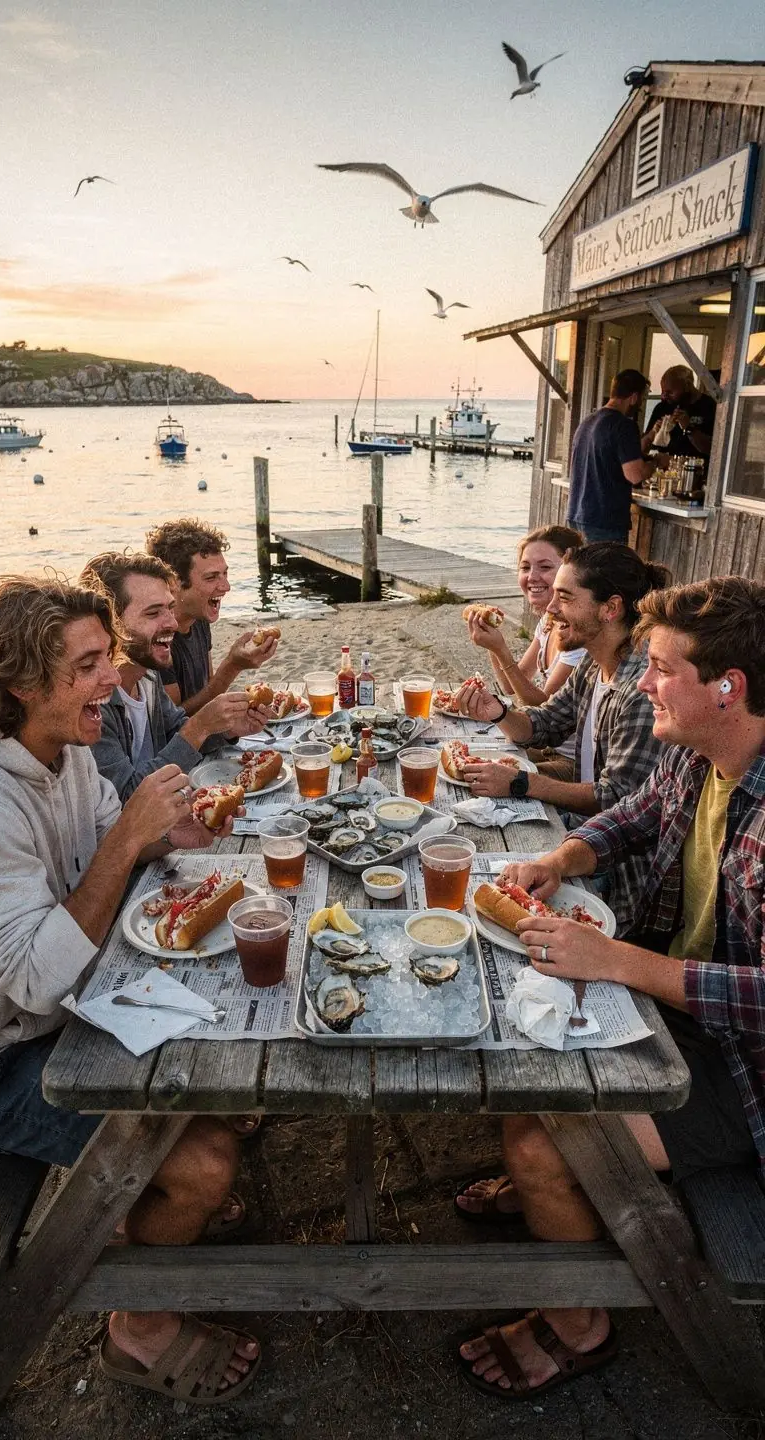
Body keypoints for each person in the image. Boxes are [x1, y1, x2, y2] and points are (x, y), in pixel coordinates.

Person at [0, 576, 261, 1404]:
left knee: (231, 1077)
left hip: (56, 1012)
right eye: (87, 666)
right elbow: (41, 976)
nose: (111, 681)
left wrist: (166, 840)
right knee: (203, 1160)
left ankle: (144, 1221)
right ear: (18, 684)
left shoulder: (66, 752)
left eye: (108, 659)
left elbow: (101, 857)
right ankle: (136, 1327)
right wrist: (128, 841)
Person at [454, 575, 765, 1402]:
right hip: (686, 1013)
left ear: (727, 688)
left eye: (661, 668)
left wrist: (621, 962)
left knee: (542, 1142)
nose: (645, 682)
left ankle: (579, 1325)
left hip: (749, 1075)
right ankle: (553, 1203)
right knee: (526, 1078)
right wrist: (559, 859)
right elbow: (631, 820)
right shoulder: (700, 758)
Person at [455, 544, 668, 934]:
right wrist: (497, 711)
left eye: (565, 597)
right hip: (580, 831)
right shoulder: (594, 660)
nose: (551, 608)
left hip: (618, 874)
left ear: (610, 608)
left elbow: (613, 798)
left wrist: (522, 782)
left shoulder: (640, 689)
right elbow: (543, 724)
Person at [80, 552, 270, 803]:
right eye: (153, 613)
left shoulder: (146, 676)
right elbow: (125, 797)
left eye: (170, 608)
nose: (171, 623)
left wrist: (225, 729)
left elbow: (174, 732)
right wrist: (199, 727)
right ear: (109, 624)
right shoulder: (92, 704)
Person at [465, 525, 585, 778]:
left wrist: (501, 650)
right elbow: (510, 687)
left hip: (570, 761)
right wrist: (493, 645)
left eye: (545, 567)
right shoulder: (548, 622)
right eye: (525, 567)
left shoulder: (578, 636)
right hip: (544, 747)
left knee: (482, 776)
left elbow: (541, 705)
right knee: (470, 754)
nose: (532, 576)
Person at [145, 518, 278, 712]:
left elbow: (207, 692)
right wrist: (232, 667)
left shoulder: (199, 620)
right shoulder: (159, 640)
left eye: (225, 574)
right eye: (211, 577)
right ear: (174, 583)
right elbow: (176, 724)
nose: (226, 587)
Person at [566, 369, 658, 544]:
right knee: (608, 571)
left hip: (577, 513)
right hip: (604, 520)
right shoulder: (624, 426)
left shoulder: (587, 422)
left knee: (580, 571)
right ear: (634, 397)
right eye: (642, 399)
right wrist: (655, 463)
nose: (641, 405)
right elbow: (635, 475)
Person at [642, 364, 715, 461]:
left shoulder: (709, 406)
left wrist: (688, 428)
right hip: (664, 471)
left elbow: (713, 449)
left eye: (670, 392)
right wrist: (653, 432)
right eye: (663, 392)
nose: (664, 397)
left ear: (688, 386)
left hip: (696, 470)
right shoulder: (662, 408)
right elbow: (643, 449)